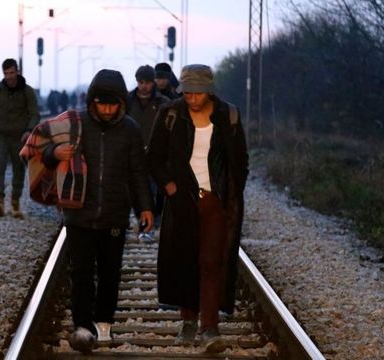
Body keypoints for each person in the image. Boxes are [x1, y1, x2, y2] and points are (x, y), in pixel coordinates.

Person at [29, 69, 154, 354]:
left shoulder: (131, 130)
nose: (107, 110)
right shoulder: (74, 124)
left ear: (121, 102)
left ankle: (105, 323)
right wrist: (54, 155)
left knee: (110, 272)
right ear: (92, 102)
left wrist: (144, 207)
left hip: (114, 213)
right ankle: (83, 326)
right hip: (79, 213)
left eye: (112, 104)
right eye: (102, 104)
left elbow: (137, 173)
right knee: (82, 272)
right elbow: (43, 151)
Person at [146, 64, 248, 353]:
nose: (190, 98)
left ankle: (210, 327)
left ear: (209, 92)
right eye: (186, 92)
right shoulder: (171, 113)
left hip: (215, 202)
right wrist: (170, 187)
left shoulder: (227, 114)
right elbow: (153, 157)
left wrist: (232, 193)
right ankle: (188, 321)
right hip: (182, 202)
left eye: (197, 93)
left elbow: (240, 160)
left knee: (212, 263)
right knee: (184, 261)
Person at [0, 58, 40, 218]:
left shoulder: (27, 91)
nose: (9, 77)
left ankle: (15, 201)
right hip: (0, 135)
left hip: (20, 137)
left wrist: (30, 130)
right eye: (6, 73)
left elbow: (34, 113)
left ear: (18, 71)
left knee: (19, 169)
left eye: (12, 72)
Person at [126, 64, 169, 242]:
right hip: (131, 154)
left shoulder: (163, 103)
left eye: (148, 82)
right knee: (134, 190)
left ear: (153, 83)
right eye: (141, 82)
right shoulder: (127, 102)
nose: (144, 86)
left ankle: (150, 226)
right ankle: (142, 224)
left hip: (155, 154)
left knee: (154, 190)